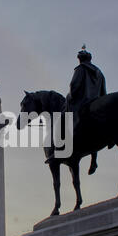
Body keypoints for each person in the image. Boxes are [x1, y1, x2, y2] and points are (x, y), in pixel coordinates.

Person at [46, 45, 107, 175]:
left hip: (82, 103)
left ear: (80, 59)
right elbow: (103, 93)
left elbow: (73, 86)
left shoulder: (81, 69)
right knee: (93, 129)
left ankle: (60, 148)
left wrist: (70, 97)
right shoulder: (99, 72)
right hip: (96, 102)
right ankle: (94, 159)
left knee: (62, 119)